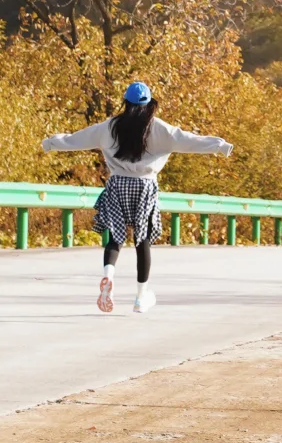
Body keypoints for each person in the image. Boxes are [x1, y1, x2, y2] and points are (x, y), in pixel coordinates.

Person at [41, 81, 232, 314]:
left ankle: (108, 276)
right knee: (143, 240)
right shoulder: (159, 129)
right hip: (145, 187)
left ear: (126, 102)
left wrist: (50, 143)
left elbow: (77, 139)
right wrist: (220, 146)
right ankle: (141, 297)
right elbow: (189, 140)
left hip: (118, 184)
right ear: (150, 103)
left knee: (115, 237)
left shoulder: (109, 127)